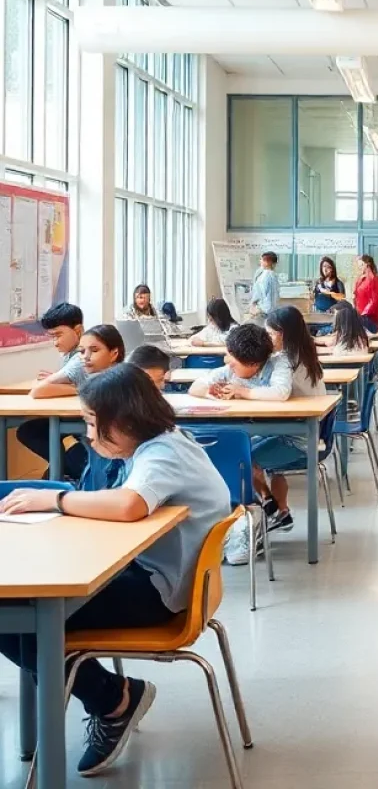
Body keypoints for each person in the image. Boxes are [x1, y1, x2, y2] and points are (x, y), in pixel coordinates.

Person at [0, 365, 230, 777]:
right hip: (158, 575)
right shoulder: (162, 442)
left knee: (20, 622)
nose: (88, 435)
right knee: (20, 612)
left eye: (92, 423)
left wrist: (54, 502)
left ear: (124, 420)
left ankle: (113, 701)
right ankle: (111, 695)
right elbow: (117, 499)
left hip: (158, 592)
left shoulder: (163, 453)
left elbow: (128, 505)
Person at [247, 306, 326, 537]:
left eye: (270, 334)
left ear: (281, 333)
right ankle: (279, 510)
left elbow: (275, 392)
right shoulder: (304, 353)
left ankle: (266, 503)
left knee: (242, 460)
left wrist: (244, 391)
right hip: (301, 431)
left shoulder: (286, 362)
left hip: (298, 438)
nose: (268, 340)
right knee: (253, 451)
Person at [17, 303, 88, 481]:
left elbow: (37, 391)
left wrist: (77, 389)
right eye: (52, 336)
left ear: (78, 330)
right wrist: (62, 381)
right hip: (81, 411)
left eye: (58, 335)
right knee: (36, 427)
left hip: (88, 417)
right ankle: (64, 470)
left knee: (29, 431)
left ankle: (76, 469)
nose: (55, 342)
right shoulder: (70, 355)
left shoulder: (80, 357)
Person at [188, 323, 291, 402]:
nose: (229, 364)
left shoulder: (279, 363)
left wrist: (243, 391)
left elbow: (281, 392)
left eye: (235, 361)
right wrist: (209, 392)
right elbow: (195, 387)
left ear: (254, 364)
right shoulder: (229, 370)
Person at [354, 254, 378, 335]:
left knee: (371, 339)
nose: (359, 267)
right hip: (359, 313)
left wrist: (364, 314)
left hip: (368, 316)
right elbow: (356, 294)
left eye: (361, 264)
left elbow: (375, 299)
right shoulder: (360, 278)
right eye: (359, 265)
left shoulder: (374, 278)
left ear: (368, 264)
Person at [249, 251, 281, 319]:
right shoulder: (267, 274)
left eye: (262, 259)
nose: (260, 261)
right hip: (264, 311)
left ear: (268, 262)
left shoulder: (268, 275)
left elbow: (269, 297)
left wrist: (257, 308)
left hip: (264, 312)